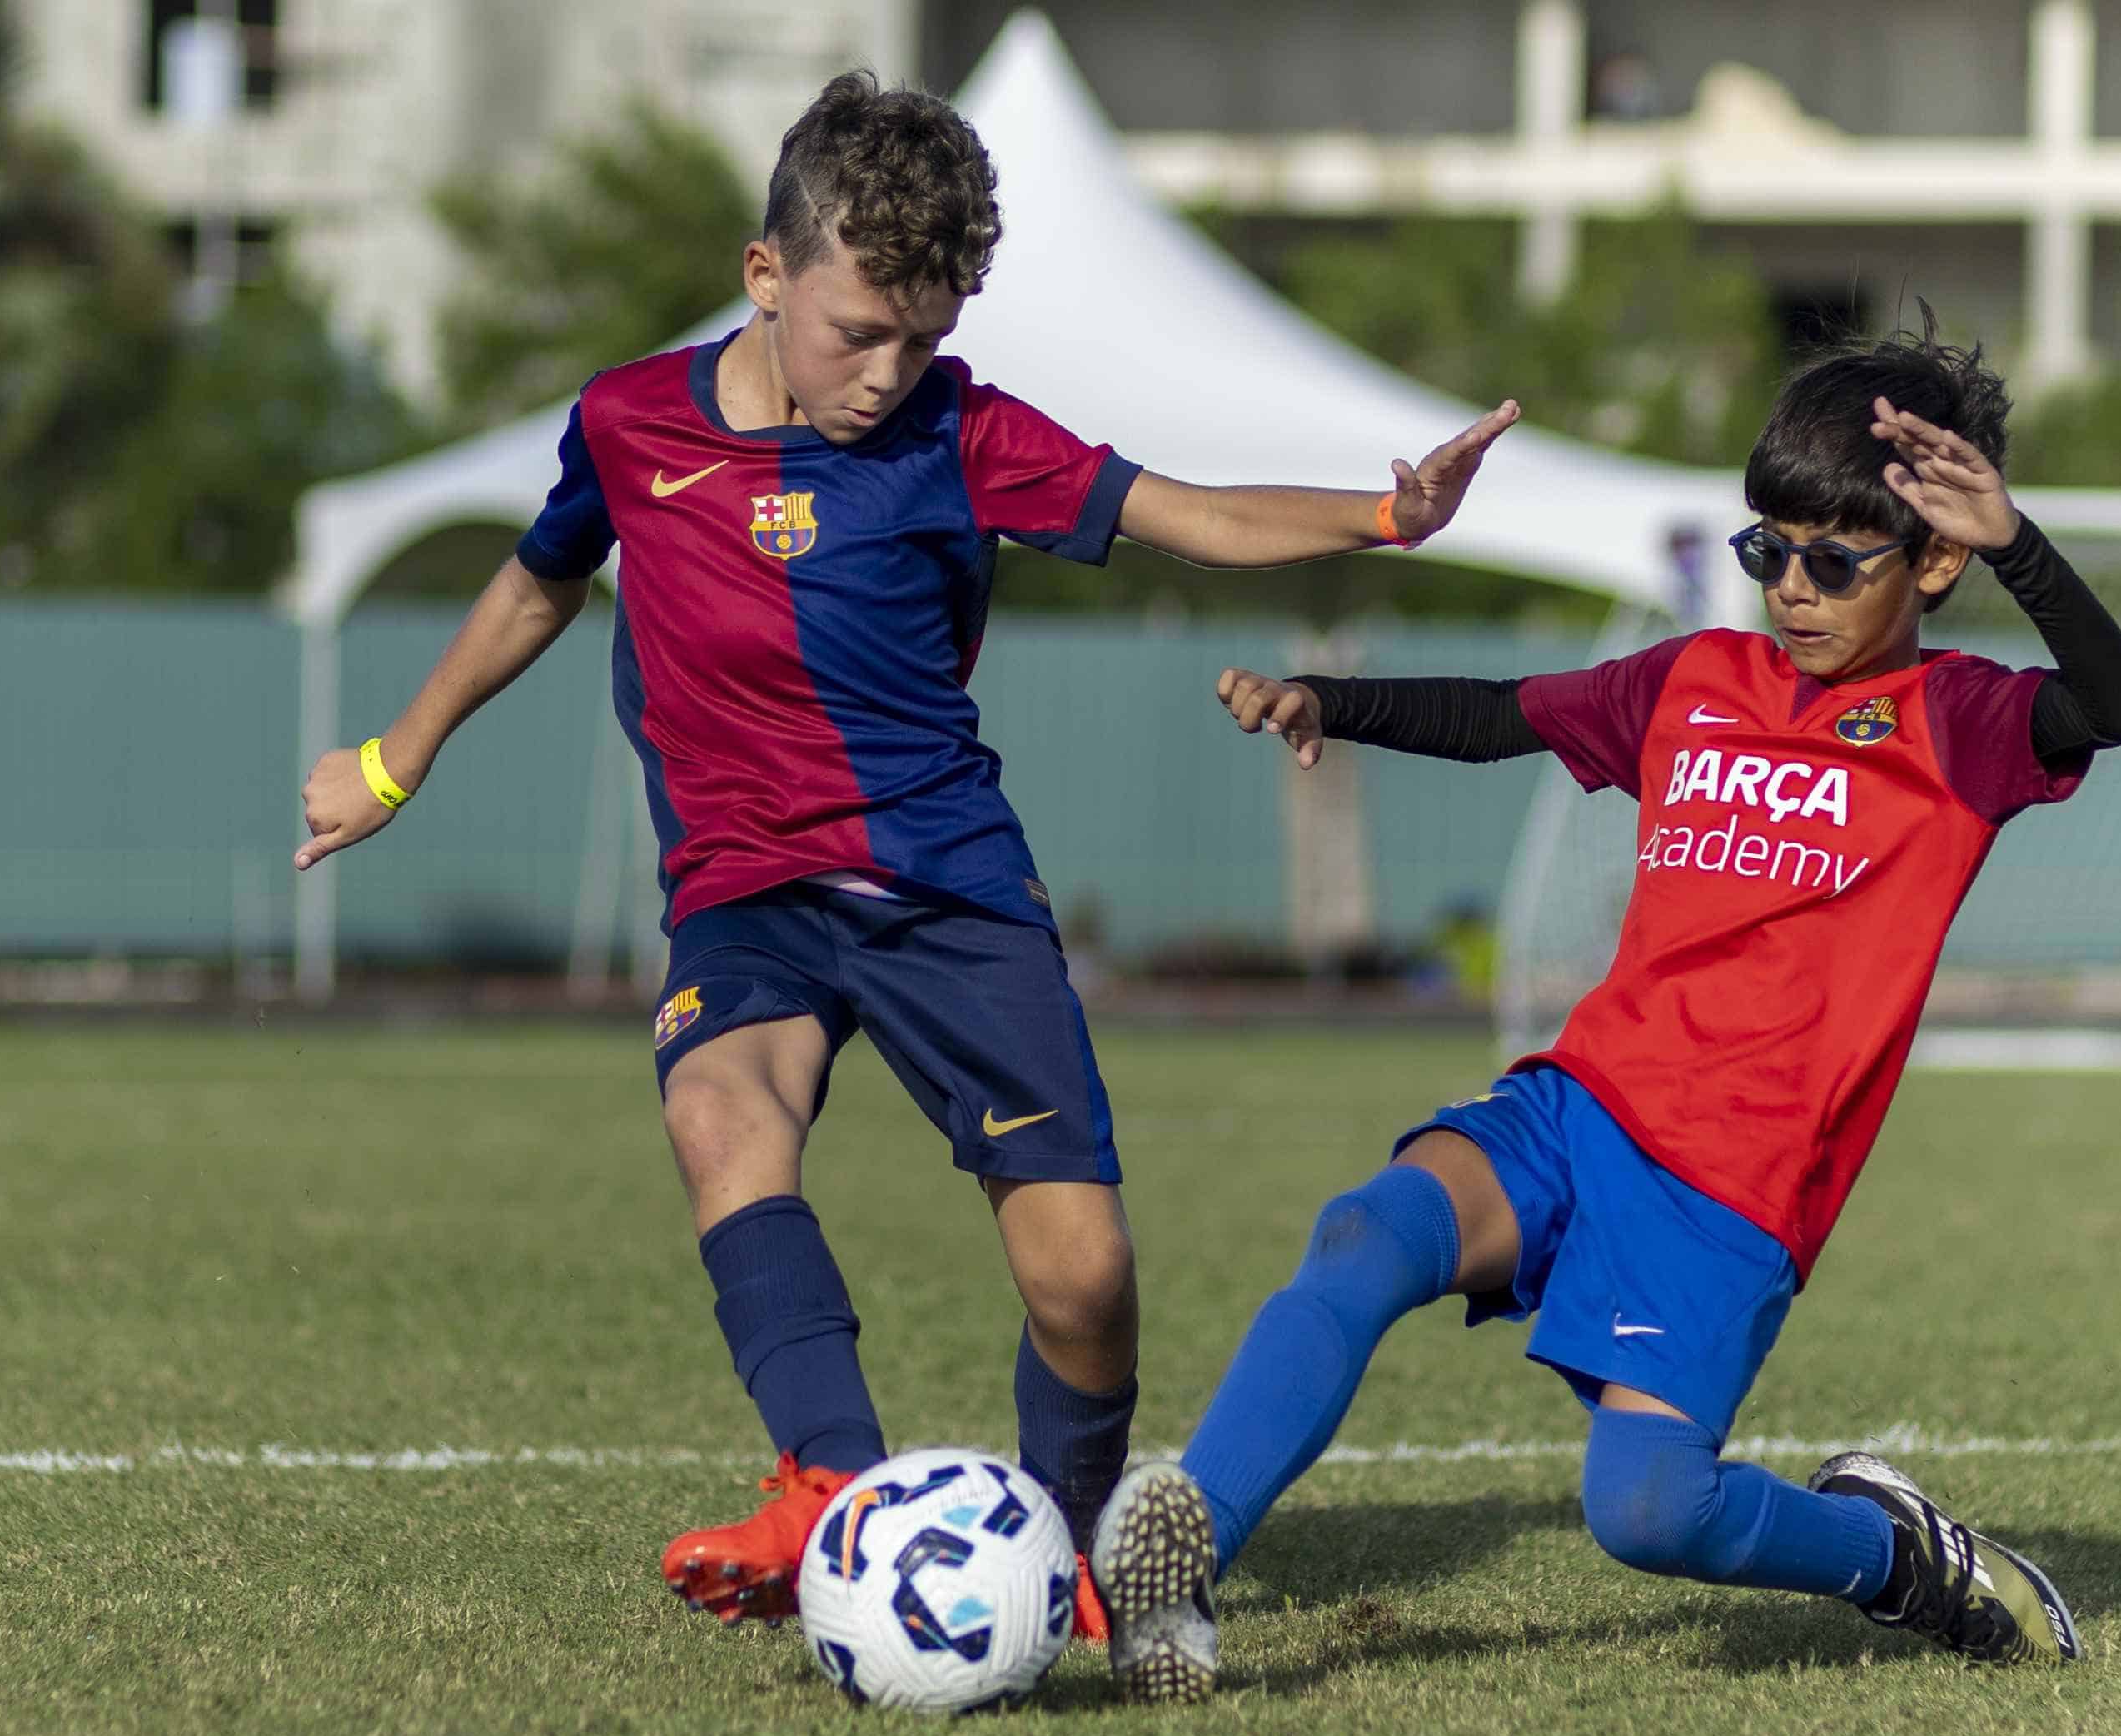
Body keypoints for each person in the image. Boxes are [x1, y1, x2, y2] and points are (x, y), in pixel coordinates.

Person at [291, 72, 1516, 1636]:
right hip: (746, 886)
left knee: (1081, 1279)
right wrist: (396, 760)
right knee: (719, 1115)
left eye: (923, 338)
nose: (888, 373)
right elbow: (538, 584)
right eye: (858, 331)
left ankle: (1066, 1556)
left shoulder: (967, 436)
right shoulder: (626, 421)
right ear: (765, 276)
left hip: (947, 889)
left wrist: (1383, 516)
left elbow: (1187, 514)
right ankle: (837, 1499)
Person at [1090, 320, 2121, 1701]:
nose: (1791, 587)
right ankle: (1175, 1587)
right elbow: (1500, 713)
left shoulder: (1958, 723)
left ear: (1934, 562)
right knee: (1367, 1233)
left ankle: (1892, 1559)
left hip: (1730, 1185)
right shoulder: (1692, 683)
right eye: (1767, 551)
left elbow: (2114, 705)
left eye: (1834, 561)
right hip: (1583, 1103)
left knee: (1646, 1511)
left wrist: (2020, 543)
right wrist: (1325, 701)